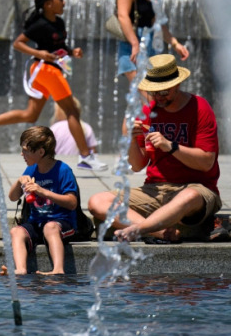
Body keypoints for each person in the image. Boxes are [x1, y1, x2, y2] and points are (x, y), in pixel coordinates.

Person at [0, 0, 108, 172]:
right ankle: (85, 156)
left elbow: (58, 46)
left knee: (31, 114)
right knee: (72, 111)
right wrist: (40, 53)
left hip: (46, 70)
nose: (64, 2)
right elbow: (18, 44)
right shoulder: (39, 24)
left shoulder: (59, 22)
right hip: (45, 70)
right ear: (49, 4)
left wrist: (72, 52)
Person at [87, 55, 220, 244]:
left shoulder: (199, 108)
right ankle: (160, 232)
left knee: (188, 197)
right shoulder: (148, 112)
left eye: (163, 92)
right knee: (97, 201)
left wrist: (171, 146)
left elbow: (206, 162)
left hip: (196, 188)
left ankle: (138, 229)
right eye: (154, 92)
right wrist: (131, 139)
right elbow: (137, 166)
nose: (158, 97)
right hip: (155, 189)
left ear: (177, 85)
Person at [7, 126, 81, 275]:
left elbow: (72, 202)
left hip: (62, 224)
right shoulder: (31, 170)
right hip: (36, 223)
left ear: (40, 152)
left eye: (26, 150)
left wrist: (42, 191)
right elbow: (13, 197)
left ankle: (58, 269)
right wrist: (19, 182)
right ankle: (21, 269)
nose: (22, 154)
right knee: (16, 231)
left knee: (50, 227)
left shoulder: (62, 170)